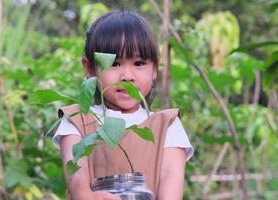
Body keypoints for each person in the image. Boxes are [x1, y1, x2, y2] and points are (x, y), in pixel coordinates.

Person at [53, 10, 193, 200]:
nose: (127, 75)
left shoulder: (167, 124)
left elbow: (171, 177)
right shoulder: (77, 120)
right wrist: (88, 197)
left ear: (154, 70)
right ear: (89, 68)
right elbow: (76, 173)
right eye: (115, 63)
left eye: (139, 63)